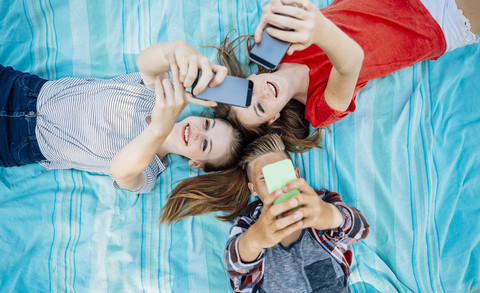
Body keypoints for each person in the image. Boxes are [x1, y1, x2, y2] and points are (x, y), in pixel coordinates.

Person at [213, 0, 480, 152]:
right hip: (434, 21)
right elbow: (351, 62)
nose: (263, 93)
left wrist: (284, 9)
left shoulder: (274, 46)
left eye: (249, 90)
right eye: (259, 107)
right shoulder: (319, 111)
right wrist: (317, 30)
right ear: (272, 118)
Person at [0, 40, 245, 193]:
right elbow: (147, 63)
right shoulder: (162, 92)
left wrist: (159, 128)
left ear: (196, 163)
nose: (198, 132)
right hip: (25, 91)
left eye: (204, 144)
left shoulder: (148, 172)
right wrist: (179, 50)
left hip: (17, 142)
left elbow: (120, 172)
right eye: (207, 124)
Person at [220, 133, 369, 292]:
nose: (277, 185)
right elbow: (233, 267)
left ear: (297, 174)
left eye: (282, 172)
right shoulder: (249, 222)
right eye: (265, 178)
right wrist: (255, 239)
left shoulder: (321, 201)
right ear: (253, 189)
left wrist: (329, 215)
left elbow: (361, 230)